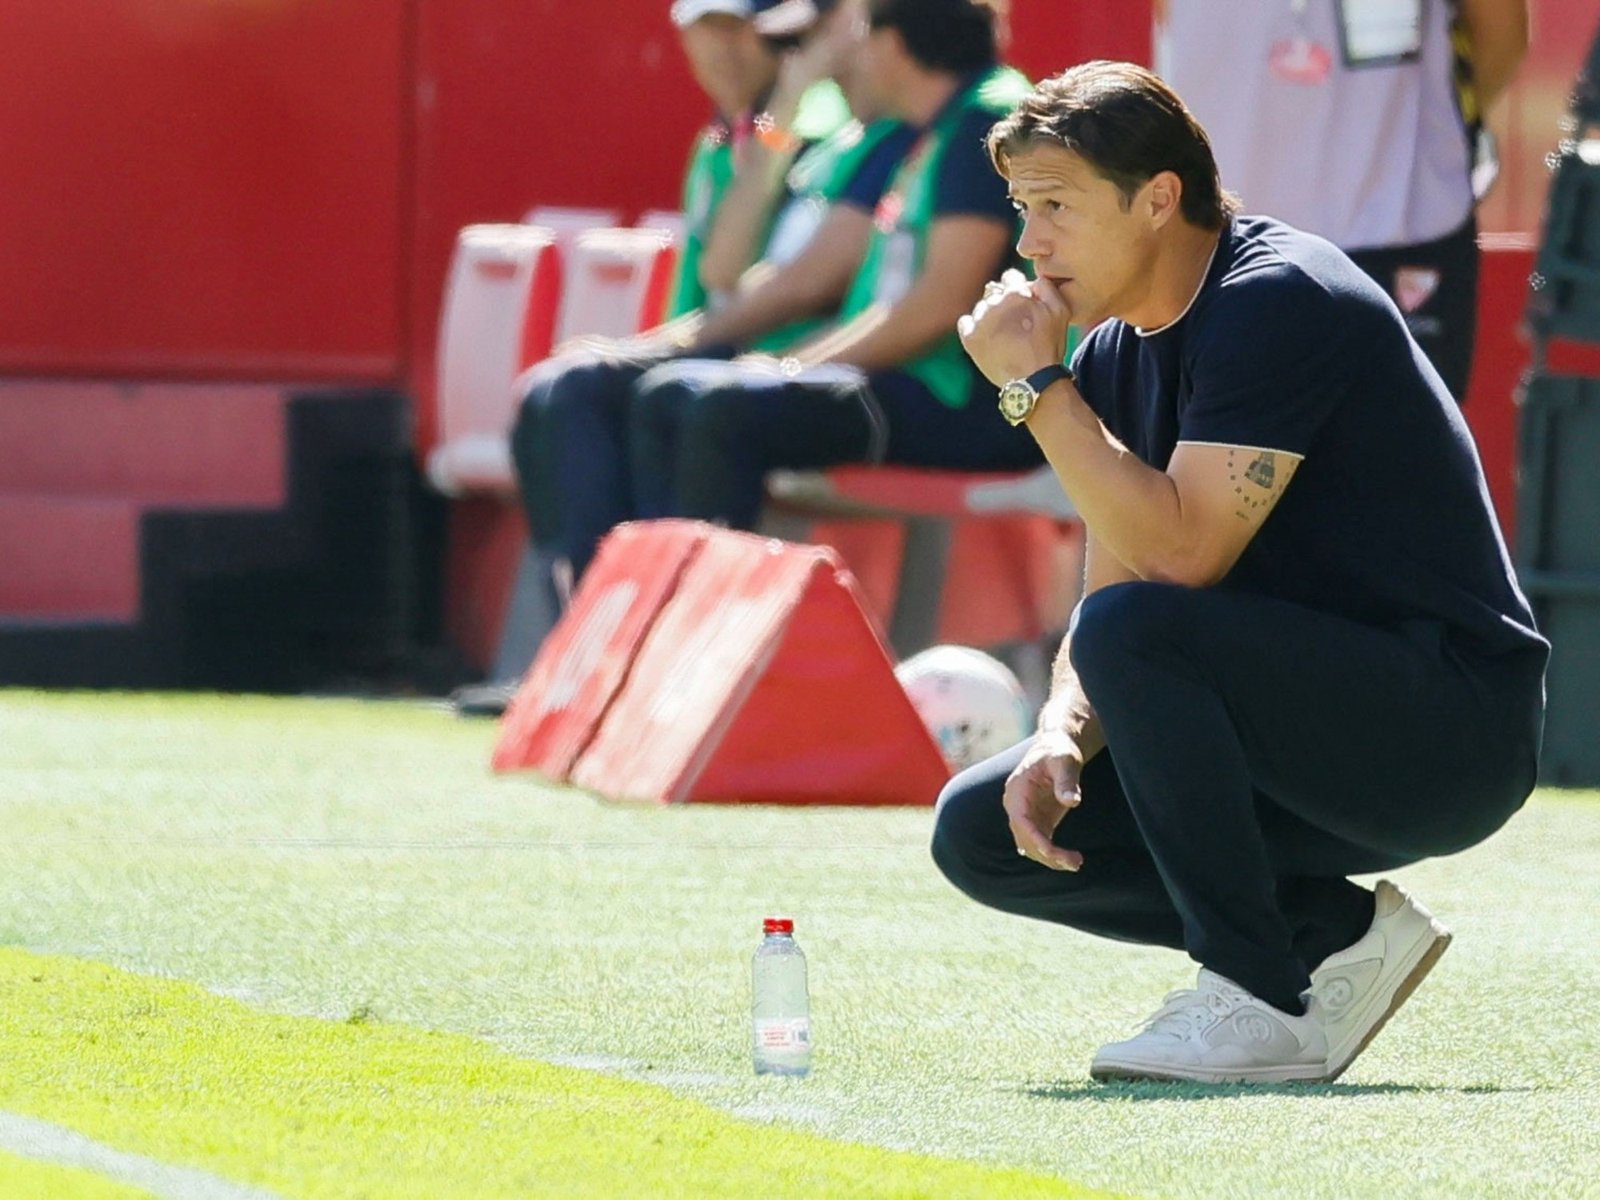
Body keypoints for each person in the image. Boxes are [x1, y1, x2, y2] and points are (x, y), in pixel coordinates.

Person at [933, 61, 1547, 1084]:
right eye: (1021, 209)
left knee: (1142, 627)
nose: (1029, 243)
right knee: (983, 829)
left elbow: (1178, 557)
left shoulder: (1280, 297)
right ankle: (1333, 935)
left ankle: (1257, 996)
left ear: (1159, 197)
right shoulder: (1115, 354)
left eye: (1055, 207)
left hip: (1445, 730)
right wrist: (1058, 734)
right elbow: (1110, 594)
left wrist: (1034, 389)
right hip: (1293, 735)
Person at [625, 0, 1042, 535]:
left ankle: (710, 606)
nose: (852, 55)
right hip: (908, 384)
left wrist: (793, 371)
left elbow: (939, 305)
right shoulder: (938, 126)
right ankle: (656, 592)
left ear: (893, 45)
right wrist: (792, 366)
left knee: (718, 408)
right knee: (673, 396)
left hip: (970, 406)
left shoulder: (986, 123)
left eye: (863, 34)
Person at [1156, 0, 1529, 402]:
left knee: (1390, 458)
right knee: (1193, 455)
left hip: (1400, 232)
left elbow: (1501, 31)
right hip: (1213, 241)